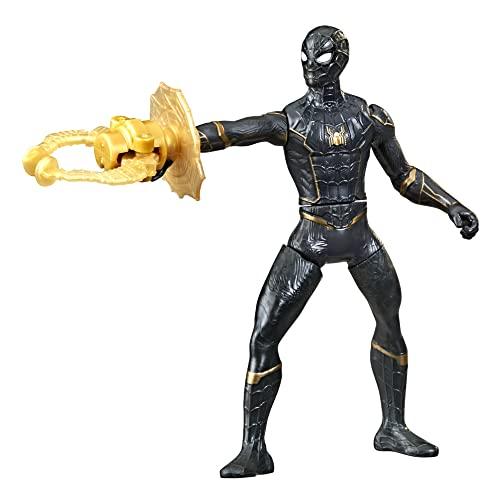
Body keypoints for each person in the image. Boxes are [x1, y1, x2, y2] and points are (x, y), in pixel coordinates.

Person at [195, 25, 478, 478]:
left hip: (359, 238)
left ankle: (393, 428)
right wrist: (173, 144)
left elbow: (404, 176)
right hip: (311, 239)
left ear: (341, 60)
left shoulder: (369, 117)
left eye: (322, 58)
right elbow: (230, 132)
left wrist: (451, 205)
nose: (311, 67)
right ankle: (253, 449)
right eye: (305, 57)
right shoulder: (289, 120)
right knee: (263, 336)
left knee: (391, 322)